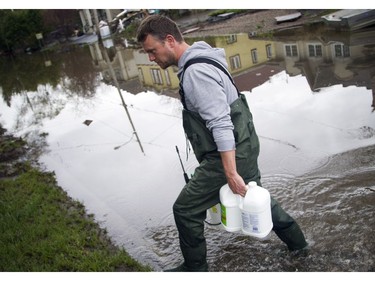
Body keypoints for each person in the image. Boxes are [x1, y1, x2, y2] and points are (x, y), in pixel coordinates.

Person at [136, 15, 308, 272]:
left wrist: (229, 172)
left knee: (185, 209)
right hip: (245, 145)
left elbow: (220, 123)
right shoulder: (203, 55)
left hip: (227, 155)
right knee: (256, 196)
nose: (150, 57)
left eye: (152, 50)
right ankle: (300, 245)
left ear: (170, 41)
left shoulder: (196, 73)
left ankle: (196, 269)